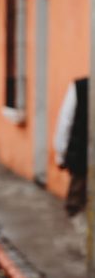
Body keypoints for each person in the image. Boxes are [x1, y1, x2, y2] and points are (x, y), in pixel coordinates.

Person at [54, 76, 88, 216]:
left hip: (82, 162)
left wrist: (60, 156)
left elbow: (65, 122)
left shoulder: (80, 87)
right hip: (82, 162)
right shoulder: (80, 87)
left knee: (77, 208)